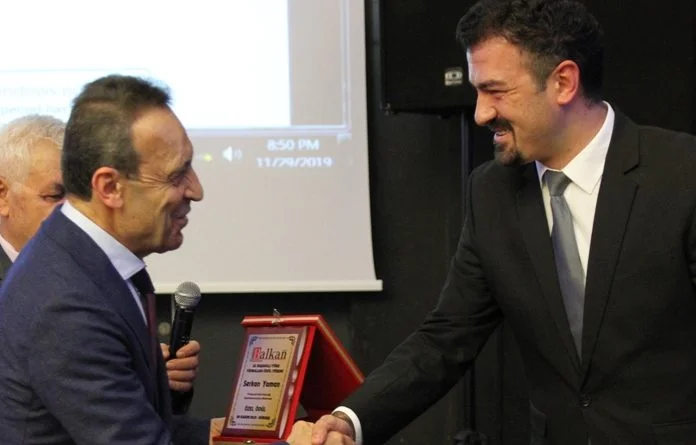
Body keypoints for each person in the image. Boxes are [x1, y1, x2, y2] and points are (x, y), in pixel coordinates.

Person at [310, 0, 696, 444]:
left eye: (496, 91)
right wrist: (350, 420)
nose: (480, 113)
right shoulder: (491, 192)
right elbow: (446, 337)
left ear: (563, 82)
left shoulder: (681, 174)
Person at [0, 76, 214, 444]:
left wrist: (251, 436)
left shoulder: (90, 266)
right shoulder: (65, 304)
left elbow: (147, 422)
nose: (196, 190)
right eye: (176, 175)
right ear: (110, 187)